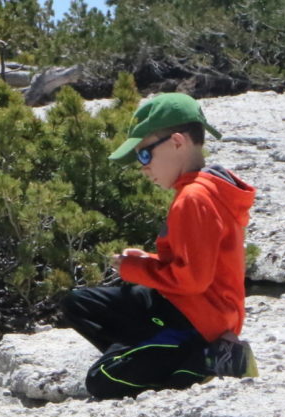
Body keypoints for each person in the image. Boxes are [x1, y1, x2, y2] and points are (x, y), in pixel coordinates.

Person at [61, 93, 258, 399]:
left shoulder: (194, 198)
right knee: (78, 303)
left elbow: (193, 280)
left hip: (198, 319)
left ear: (177, 142)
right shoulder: (203, 191)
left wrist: (138, 269)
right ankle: (156, 351)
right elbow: (194, 265)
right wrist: (149, 261)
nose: (142, 167)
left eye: (144, 155)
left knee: (100, 381)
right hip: (192, 306)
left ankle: (201, 360)